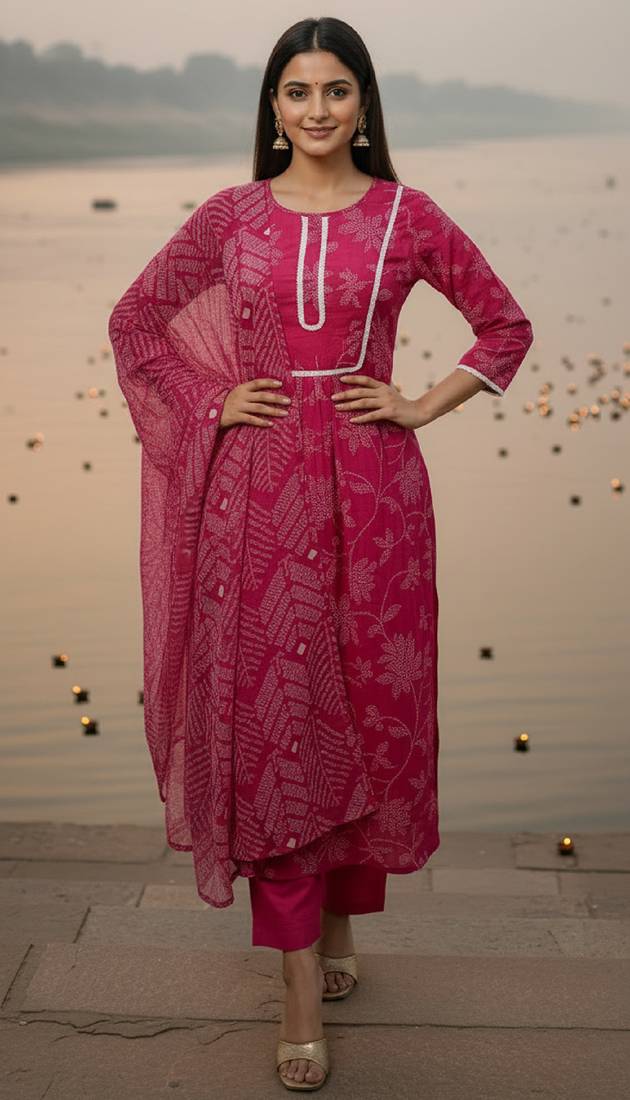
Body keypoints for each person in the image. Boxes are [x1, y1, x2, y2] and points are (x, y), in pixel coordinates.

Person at [108, 15, 534, 1092]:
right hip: (256, 500)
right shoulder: (232, 217)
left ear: (364, 103)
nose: (316, 110)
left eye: (336, 90)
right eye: (296, 92)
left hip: (379, 501)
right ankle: (300, 986)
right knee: (277, 724)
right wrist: (212, 399)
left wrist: (419, 403)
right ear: (272, 106)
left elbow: (505, 327)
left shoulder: (406, 215)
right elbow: (138, 321)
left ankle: (341, 925)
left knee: (364, 708)